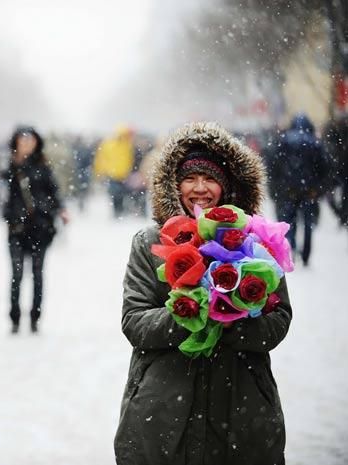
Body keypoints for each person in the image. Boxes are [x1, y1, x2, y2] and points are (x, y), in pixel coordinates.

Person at [114, 122, 292, 464]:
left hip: (241, 405)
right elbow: (134, 321)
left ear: (226, 186)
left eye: (210, 179)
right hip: (163, 410)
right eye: (189, 178)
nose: (200, 189)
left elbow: (279, 319)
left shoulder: (254, 242)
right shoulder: (149, 243)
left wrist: (233, 318)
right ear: (173, 184)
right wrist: (190, 312)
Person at [3, 126, 69, 334]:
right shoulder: (10, 167)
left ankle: (35, 317)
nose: (26, 144)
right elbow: (3, 196)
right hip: (17, 228)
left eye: (30, 141)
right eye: (22, 141)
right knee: (17, 274)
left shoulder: (43, 166)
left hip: (40, 228)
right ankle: (14, 317)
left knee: (38, 274)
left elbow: (53, 192)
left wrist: (58, 210)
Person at [268, 113, 329, 266]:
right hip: (309, 191)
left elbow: (274, 166)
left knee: (289, 222)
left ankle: (291, 249)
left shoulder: (284, 140)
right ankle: (306, 254)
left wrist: (276, 188)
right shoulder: (315, 142)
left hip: (288, 190)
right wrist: (318, 188)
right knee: (308, 224)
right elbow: (324, 168)